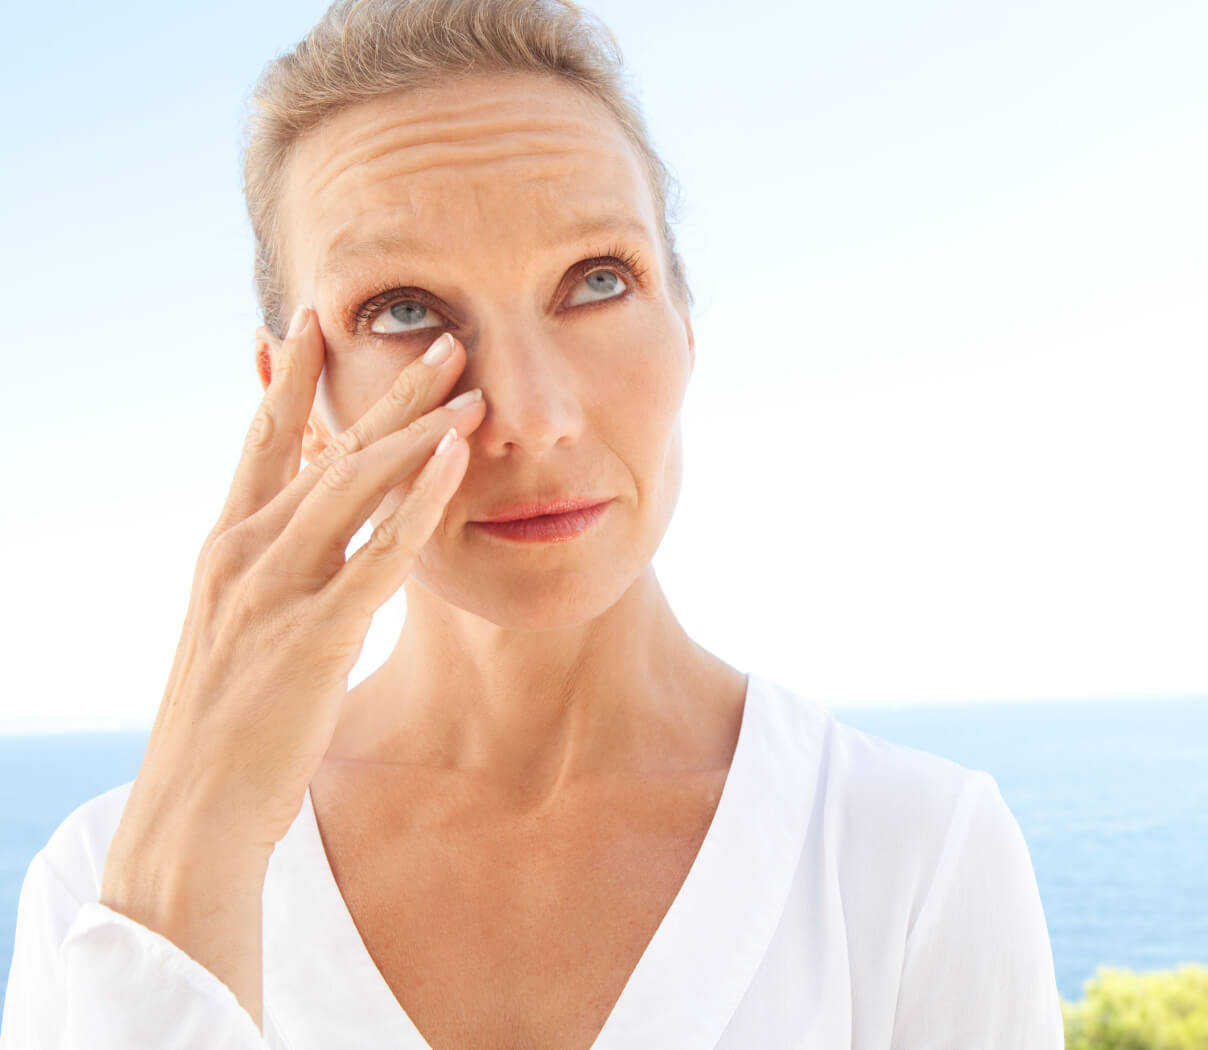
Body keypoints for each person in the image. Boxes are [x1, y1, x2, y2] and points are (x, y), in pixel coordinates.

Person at [0, 1, 1063, 1046]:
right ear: (298, 403)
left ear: (685, 328)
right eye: (405, 312)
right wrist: (181, 885)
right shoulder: (110, 888)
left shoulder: (912, 857)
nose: (535, 419)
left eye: (597, 282)